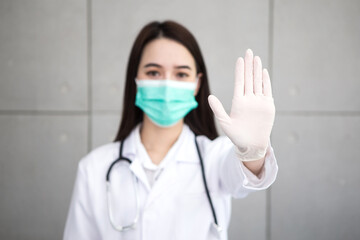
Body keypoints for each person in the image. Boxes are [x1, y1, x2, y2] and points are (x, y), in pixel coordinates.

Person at [64, 20, 278, 240]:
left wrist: (252, 154)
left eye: (181, 74)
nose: (166, 84)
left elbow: (243, 175)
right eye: (154, 72)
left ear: (197, 83)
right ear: (135, 79)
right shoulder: (93, 169)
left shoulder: (214, 157)